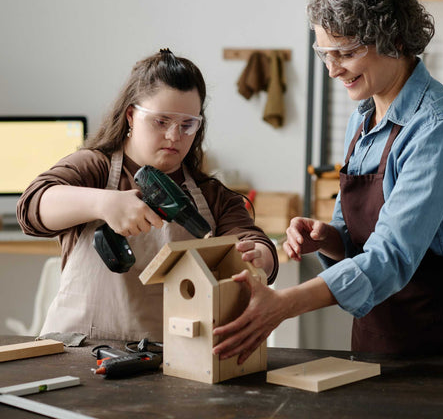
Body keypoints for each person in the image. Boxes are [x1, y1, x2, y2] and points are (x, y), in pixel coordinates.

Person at [212, 0, 443, 362]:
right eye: (325, 53)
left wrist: (283, 303)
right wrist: (330, 239)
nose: (333, 69)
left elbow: (392, 255)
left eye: (347, 53)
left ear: (395, 40)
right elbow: (355, 236)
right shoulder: (362, 118)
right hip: (379, 340)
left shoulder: (440, 128)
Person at [17, 48, 278, 341]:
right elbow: (31, 207)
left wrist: (260, 256)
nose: (174, 136)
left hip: (174, 358)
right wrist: (102, 203)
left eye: (187, 124)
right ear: (131, 115)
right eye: (161, 121)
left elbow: (253, 240)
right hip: (78, 352)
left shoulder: (211, 195)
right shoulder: (95, 168)